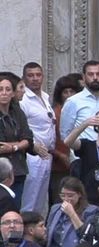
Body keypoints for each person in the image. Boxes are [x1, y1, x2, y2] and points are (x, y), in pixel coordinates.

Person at [19, 62, 56, 216]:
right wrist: (32, 145)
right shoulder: (23, 100)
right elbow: (21, 128)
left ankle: (35, 233)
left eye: (38, 75)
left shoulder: (46, 97)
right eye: (30, 75)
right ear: (24, 78)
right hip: (32, 154)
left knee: (40, 201)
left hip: (47, 154)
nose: (35, 79)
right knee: (29, 198)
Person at [45, 177, 99, 247]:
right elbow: (48, 231)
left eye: (70, 196)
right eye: (63, 195)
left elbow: (86, 235)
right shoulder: (55, 209)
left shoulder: (91, 210)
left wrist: (72, 213)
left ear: (79, 194)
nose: (66, 199)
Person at [59, 61, 99, 143]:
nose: (95, 77)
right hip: (81, 153)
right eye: (90, 74)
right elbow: (65, 135)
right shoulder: (73, 101)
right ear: (83, 77)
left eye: (98, 74)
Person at [0, 75, 35, 203]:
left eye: (8, 89)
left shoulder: (17, 112)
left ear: (13, 93)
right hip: (1, 170)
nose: (4, 93)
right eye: (0, 89)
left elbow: (28, 138)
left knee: (15, 207)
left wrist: (14, 146)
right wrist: (20, 144)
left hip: (18, 170)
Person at [51, 75, 82, 203]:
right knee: (60, 198)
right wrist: (60, 155)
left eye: (72, 91)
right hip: (60, 164)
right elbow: (49, 139)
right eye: (65, 92)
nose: (69, 95)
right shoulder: (55, 112)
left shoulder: (81, 110)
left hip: (79, 160)